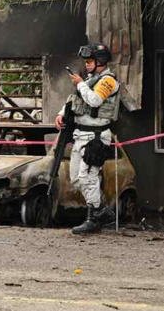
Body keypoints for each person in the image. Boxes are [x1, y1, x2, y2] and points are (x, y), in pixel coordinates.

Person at [55, 42, 121, 234]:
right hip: (81, 134)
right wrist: (61, 114)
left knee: (87, 177)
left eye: (90, 61)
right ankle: (102, 211)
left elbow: (95, 100)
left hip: (96, 136)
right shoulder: (90, 80)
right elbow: (76, 101)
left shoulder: (108, 81)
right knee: (77, 178)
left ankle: (95, 217)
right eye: (86, 61)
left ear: (100, 61)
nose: (87, 64)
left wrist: (80, 84)